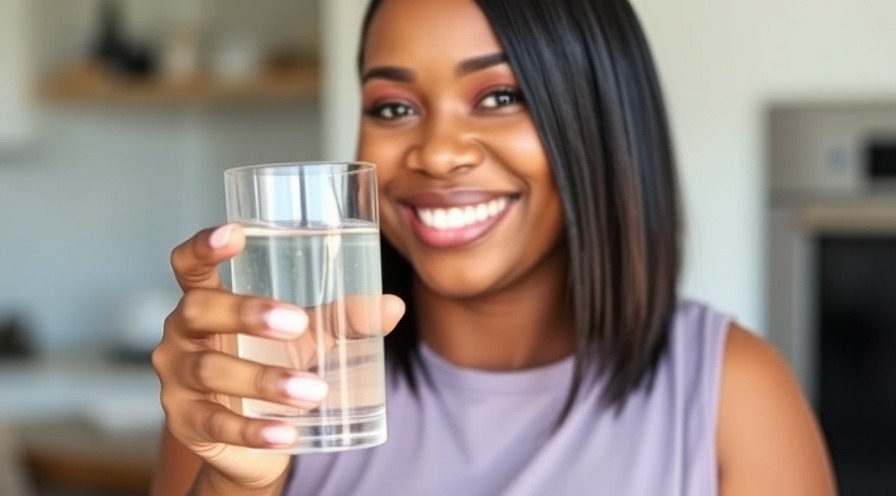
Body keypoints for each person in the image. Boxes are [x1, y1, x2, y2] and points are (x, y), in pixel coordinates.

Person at [150, 0, 837, 494]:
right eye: (394, 107)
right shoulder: (256, 382)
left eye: (500, 96)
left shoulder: (733, 394)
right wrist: (239, 487)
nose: (439, 153)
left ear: (600, 121)